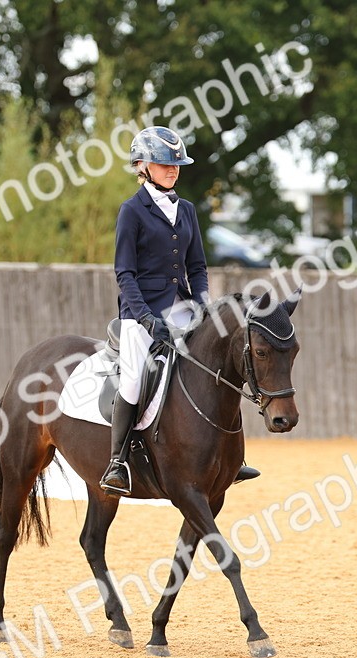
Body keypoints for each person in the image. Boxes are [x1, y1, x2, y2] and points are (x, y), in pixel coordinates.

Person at [99, 126, 258, 495]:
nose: (172, 170)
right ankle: (117, 463)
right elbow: (125, 273)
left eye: (176, 165)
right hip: (140, 312)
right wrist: (144, 317)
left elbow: (198, 267)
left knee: (224, 362)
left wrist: (202, 302)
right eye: (164, 164)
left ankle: (234, 458)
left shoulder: (186, 210)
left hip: (183, 306)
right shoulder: (131, 211)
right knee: (136, 377)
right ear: (142, 166)